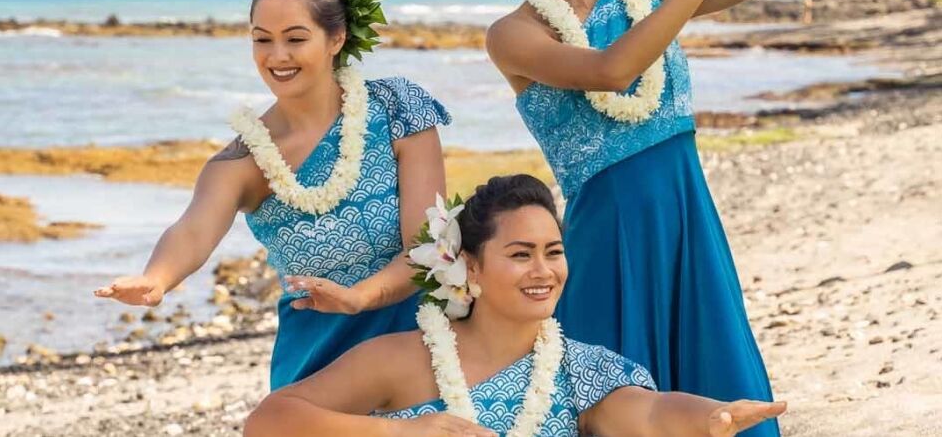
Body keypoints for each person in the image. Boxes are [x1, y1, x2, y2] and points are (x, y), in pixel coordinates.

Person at [479, 0, 872, 436]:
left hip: (688, 218)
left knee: (719, 397)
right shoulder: (517, 33)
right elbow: (611, 68)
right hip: (609, 245)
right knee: (621, 411)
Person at [95, 0, 451, 389]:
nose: (277, 55)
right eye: (262, 39)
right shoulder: (241, 163)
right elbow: (192, 230)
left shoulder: (396, 110)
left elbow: (428, 250)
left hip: (417, 349)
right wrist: (155, 278)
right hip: (317, 366)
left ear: (335, 39)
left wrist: (360, 298)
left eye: (295, 38)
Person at [243, 174, 787, 436]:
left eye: (553, 252)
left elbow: (648, 411)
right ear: (471, 267)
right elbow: (270, 422)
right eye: (521, 254)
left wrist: (710, 416)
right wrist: (402, 433)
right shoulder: (402, 358)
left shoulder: (579, 369)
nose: (543, 271)